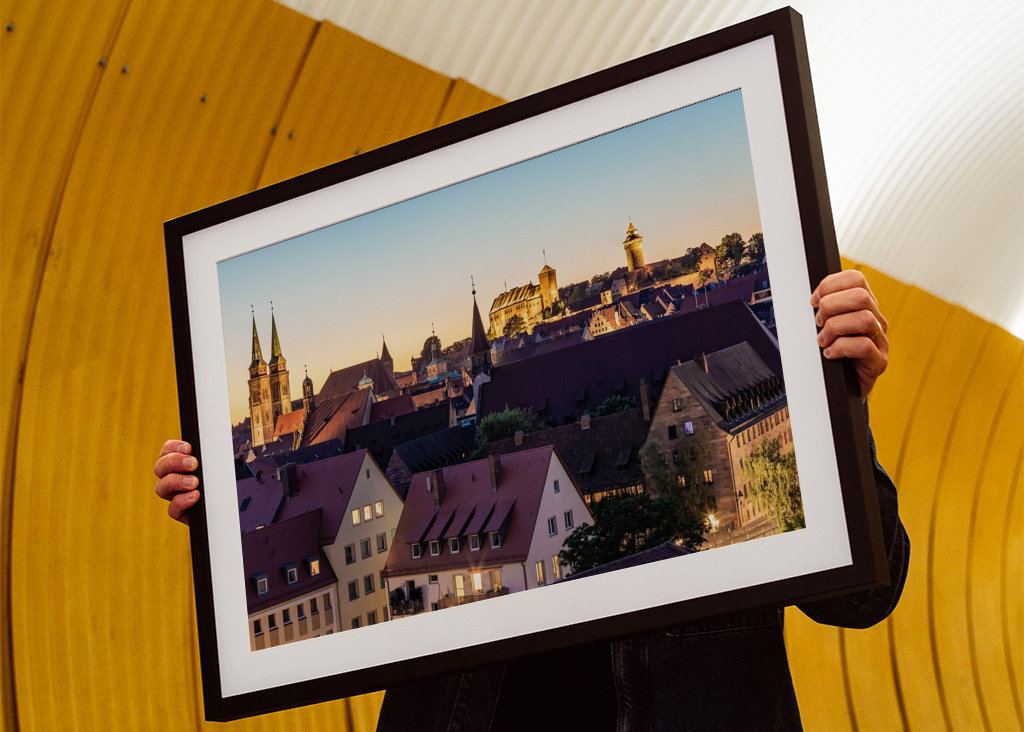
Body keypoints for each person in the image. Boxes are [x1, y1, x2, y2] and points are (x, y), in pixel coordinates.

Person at [155, 270, 908, 730]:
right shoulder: (431, 454)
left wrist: (839, 403)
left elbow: (865, 595)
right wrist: (227, 520)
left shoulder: (761, 359)